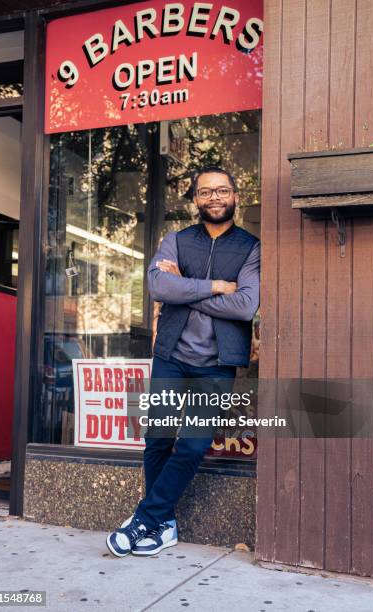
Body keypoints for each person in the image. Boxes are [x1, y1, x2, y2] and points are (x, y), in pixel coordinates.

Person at [106, 166, 260, 557]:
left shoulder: (251, 247)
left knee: (192, 446)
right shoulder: (175, 240)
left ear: (235, 196)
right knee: (157, 440)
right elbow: (158, 285)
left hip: (216, 364)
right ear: (195, 199)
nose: (214, 198)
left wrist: (184, 290)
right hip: (170, 357)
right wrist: (213, 287)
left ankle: (144, 518)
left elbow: (244, 306)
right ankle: (165, 524)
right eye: (205, 192)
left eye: (222, 191)